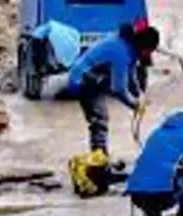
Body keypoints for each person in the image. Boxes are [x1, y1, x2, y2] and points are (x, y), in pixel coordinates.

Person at [64, 22, 161, 196]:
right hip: (82, 79)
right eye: (150, 51)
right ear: (144, 46)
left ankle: (101, 163)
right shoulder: (121, 52)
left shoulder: (130, 47)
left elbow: (131, 74)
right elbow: (118, 88)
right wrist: (133, 105)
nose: (149, 55)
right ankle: (98, 170)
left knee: (102, 118)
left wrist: (139, 94)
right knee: (99, 121)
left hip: (95, 76)